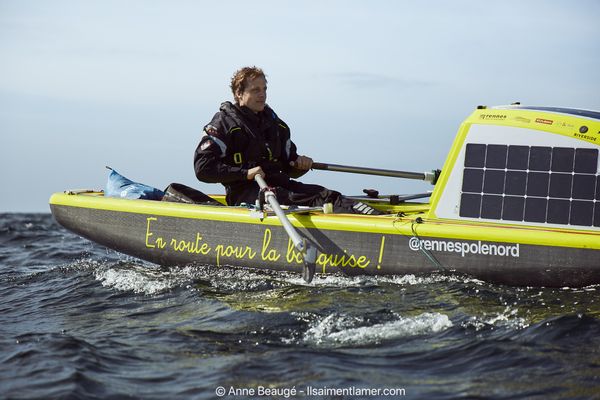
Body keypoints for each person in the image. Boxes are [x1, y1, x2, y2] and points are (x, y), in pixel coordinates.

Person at [193, 66, 381, 215]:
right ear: (239, 94)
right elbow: (203, 169)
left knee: (326, 195)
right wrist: (245, 173)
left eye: (264, 89)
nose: (262, 94)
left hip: (280, 185)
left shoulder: (277, 125)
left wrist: (300, 164)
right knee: (304, 199)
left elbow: (289, 164)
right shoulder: (223, 124)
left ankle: (375, 218)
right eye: (255, 90)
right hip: (247, 194)